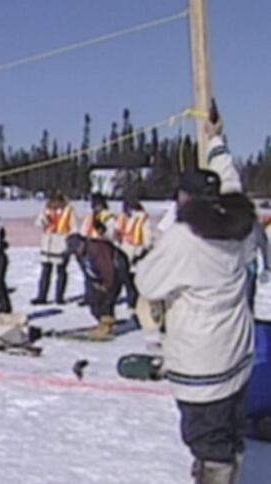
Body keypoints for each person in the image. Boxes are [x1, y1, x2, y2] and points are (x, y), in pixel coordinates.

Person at [135, 116, 256, 483]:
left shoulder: (184, 239)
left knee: (207, 439)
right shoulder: (241, 223)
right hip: (237, 351)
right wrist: (216, 142)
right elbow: (231, 182)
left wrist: (166, 234)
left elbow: (148, 282)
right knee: (230, 430)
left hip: (202, 360)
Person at [66, 234, 129, 338]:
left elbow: (108, 269)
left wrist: (106, 286)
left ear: (81, 244)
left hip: (116, 270)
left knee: (107, 299)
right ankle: (102, 321)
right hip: (99, 273)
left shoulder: (98, 249)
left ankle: (106, 326)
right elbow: (86, 270)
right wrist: (93, 285)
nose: (75, 253)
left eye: (76, 249)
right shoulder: (79, 253)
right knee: (94, 300)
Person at [31, 192, 75, 305]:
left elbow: (73, 227)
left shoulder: (68, 210)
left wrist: (71, 244)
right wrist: (44, 221)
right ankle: (42, 296)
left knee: (61, 271)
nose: (54, 203)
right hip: (48, 243)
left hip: (61, 243)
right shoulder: (46, 209)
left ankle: (59, 297)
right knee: (45, 271)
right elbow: (38, 222)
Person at [114, 197, 151, 309]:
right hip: (123, 250)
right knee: (121, 277)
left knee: (132, 280)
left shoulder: (142, 218)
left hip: (136, 251)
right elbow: (117, 232)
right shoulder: (124, 217)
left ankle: (134, 303)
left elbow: (147, 237)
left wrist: (142, 251)